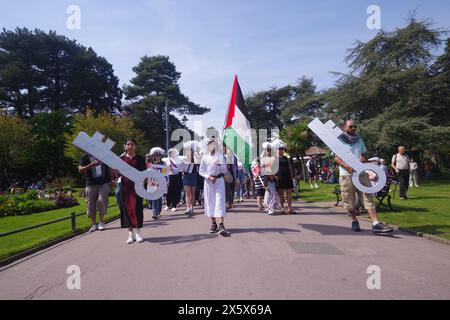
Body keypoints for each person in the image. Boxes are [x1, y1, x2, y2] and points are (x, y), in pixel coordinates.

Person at [334, 120, 393, 234]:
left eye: (355, 126)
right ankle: (354, 220)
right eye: (351, 126)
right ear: (344, 127)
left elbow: (364, 155)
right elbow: (336, 158)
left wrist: (363, 159)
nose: (353, 128)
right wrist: (348, 168)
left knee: (368, 196)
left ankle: (375, 223)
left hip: (361, 173)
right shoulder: (338, 141)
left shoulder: (359, 139)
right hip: (346, 174)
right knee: (348, 200)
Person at [115, 138, 146, 244]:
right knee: (126, 210)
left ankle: (138, 233)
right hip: (125, 187)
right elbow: (117, 174)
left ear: (135, 146)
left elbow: (144, 174)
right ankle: (130, 234)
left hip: (137, 188)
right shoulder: (121, 159)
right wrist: (115, 172)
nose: (130, 146)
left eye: (132, 144)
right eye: (128, 144)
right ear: (125, 146)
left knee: (137, 209)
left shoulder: (140, 159)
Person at [199, 137, 230, 236]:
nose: (212, 145)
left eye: (213, 143)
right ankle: (213, 223)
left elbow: (225, 171)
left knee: (220, 201)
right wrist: (208, 177)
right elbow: (201, 171)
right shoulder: (204, 157)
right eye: (210, 144)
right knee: (210, 201)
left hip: (219, 181)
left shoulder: (220, 156)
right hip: (209, 182)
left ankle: (221, 224)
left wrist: (220, 164)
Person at [79, 152, 113, 233]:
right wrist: (90, 165)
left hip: (103, 182)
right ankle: (94, 224)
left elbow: (109, 167)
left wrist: (112, 179)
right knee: (90, 203)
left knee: (102, 200)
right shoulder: (85, 156)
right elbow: (80, 170)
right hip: (91, 183)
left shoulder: (103, 153)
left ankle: (101, 221)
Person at [274, 140, 296, 214]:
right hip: (279, 177)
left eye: (282, 148)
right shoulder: (274, 158)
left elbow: (289, 167)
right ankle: (282, 208)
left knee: (289, 193)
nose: (282, 150)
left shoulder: (286, 158)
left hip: (287, 176)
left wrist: (292, 176)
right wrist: (274, 176)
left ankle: (290, 208)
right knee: (281, 194)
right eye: (280, 149)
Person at [181, 141, 199, 217]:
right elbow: (181, 167)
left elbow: (199, 166)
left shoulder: (196, 159)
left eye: (190, 151)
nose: (189, 152)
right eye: (187, 151)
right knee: (187, 193)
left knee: (192, 193)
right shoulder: (184, 159)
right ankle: (188, 208)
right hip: (186, 176)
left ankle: (192, 207)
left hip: (193, 176)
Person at [147, 147, 165, 220]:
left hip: (161, 182)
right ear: (153, 156)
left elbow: (166, 173)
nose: (157, 156)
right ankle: (155, 213)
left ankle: (158, 211)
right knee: (154, 197)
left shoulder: (163, 163)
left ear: (160, 156)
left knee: (159, 198)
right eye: (155, 155)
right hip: (152, 182)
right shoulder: (151, 164)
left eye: (158, 155)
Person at [261, 142, 278, 215]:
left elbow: (274, 168)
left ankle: (269, 207)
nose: (269, 151)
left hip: (272, 178)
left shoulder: (274, 158)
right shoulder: (264, 159)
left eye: (270, 150)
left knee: (272, 193)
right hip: (266, 179)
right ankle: (268, 207)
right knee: (268, 193)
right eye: (267, 150)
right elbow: (262, 169)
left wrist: (274, 175)